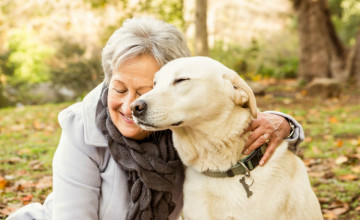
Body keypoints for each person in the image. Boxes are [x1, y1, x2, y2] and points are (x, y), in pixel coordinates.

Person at [7, 17, 304, 220]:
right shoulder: (81, 128)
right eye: (119, 88)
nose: (132, 104)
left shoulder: (179, 124)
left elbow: (230, 119)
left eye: (146, 90)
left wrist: (285, 123)